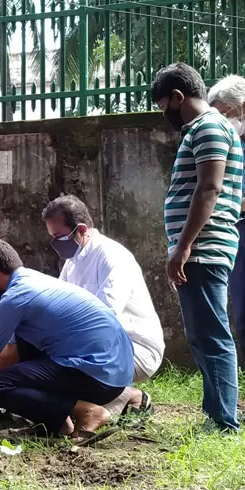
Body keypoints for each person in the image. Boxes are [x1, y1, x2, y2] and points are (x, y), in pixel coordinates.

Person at [0, 239, 134, 439]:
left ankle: (87, 411)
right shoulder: (33, 282)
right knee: (21, 352)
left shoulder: (14, 298)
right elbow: (10, 355)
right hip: (114, 370)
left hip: (98, 375)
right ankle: (58, 423)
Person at [151, 62, 242, 431]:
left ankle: (223, 422)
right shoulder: (205, 129)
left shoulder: (208, 127)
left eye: (164, 107)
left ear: (178, 97)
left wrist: (183, 245)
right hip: (200, 247)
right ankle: (214, 414)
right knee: (201, 333)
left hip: (203, 247)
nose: (165, 116)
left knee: (211, 333)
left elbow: (209, 187)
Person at [42, 195, 164, 414]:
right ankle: (113, 399)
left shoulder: (112, 256)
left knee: (58, 370)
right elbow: (56, 306)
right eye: (52, 237)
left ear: (80, 230)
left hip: (134, 348)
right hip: (99, 345)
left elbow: (104, 318)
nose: (55, 244)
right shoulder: (73, 262)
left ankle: (126, 398)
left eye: (59, 237)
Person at [207, 74, 245, 361]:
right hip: (235, 231)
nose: (220, 120)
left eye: (224, 113)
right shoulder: (232, 141)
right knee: (241, 313)